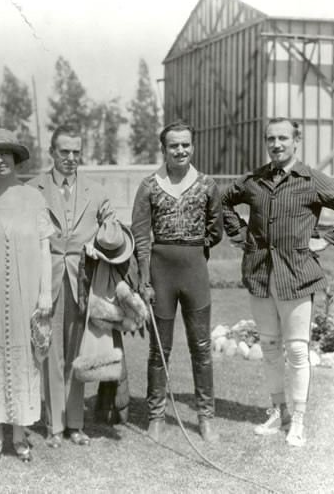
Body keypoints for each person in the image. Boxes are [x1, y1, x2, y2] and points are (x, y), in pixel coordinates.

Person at [221, 117, 334, 447]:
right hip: (260, 274)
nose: (276, 144)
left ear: (297, 141)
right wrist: (239, 235)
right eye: (270, 138)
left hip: (297, 275)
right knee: (268, 347)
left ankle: (298, 419)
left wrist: (328, 240)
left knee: (296, 350)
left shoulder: (311, 179)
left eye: (283, 138)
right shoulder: (253, 180)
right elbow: (223, 200)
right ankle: (278, 410)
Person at [131, 121, 223, 443]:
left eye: (185, 144)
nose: (180, 150)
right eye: (174, 146)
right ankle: (156, 415)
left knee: (202, 348)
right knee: (160, 349)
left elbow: (216, 230)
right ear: (164, 149)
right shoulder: (149, 186)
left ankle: (206, 417)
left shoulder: (208, 185)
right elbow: (141, 236)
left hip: (195, 272)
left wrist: (194, 254)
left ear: (193, 147)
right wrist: (144, 279)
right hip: (160, 274)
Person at [28, 124, 117, 448]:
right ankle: (54, 425)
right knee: (51, 351)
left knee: (77, 349)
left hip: (83, 278)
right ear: (51, 152)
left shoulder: (96, 190)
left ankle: (75, 424)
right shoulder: (33, 189)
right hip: (46, 278)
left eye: (76, 152)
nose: (70, 158)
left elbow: (113, 226)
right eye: (64, 151)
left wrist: (99, 239)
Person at [0, 128, 53, 463]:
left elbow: (45, 247)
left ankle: (19, 435)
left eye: (6, 153)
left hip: (26, 293)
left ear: (16, 158)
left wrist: (45, 292)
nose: (0, 159)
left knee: (22, 359)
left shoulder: (34, 199)